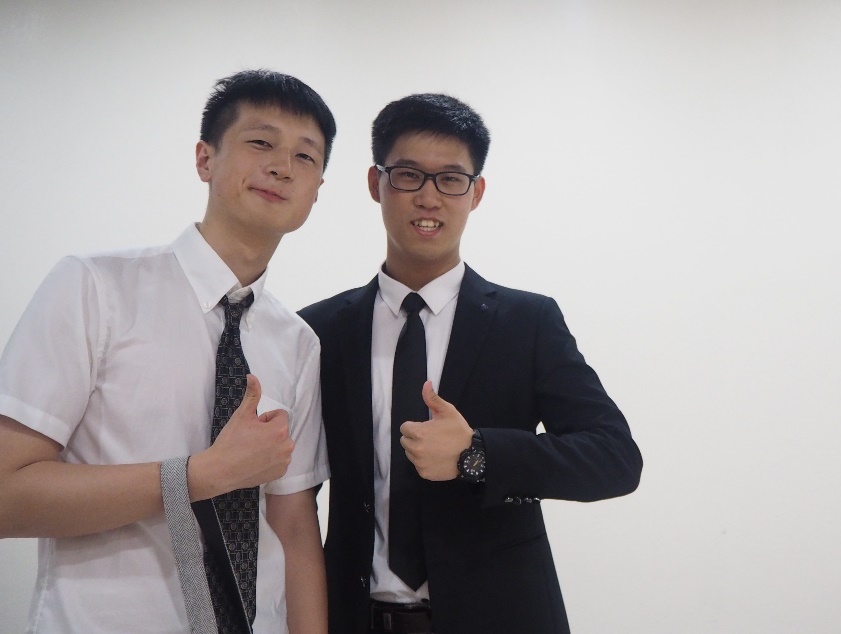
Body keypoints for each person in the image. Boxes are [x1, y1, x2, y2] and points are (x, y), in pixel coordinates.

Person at [0, 69, 335, 633]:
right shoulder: (94, 287)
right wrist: (196, 476)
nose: (283, 166)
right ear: (205, 159)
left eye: (305, 156)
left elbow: (295, 528)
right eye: (261, 142)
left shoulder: (296, 342)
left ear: (317, 189)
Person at [299, 93, 643, 634]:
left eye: (451, 179)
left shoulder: (527, 322)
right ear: (375, 183)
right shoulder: (319, 331)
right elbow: (295, 499)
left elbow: (615, 458)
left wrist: (476, 453)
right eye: (408, 175)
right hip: (356, 619)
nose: (429, 197)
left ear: (476, 192)